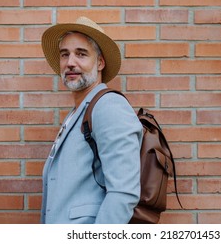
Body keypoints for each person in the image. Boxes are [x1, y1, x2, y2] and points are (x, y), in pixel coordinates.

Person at [40, 16, 143, 224]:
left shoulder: (109, 107)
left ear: (100, 63)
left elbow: (123, 193)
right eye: (64, 54)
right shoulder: (77, 113)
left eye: (81, 54)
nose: (70, 63)